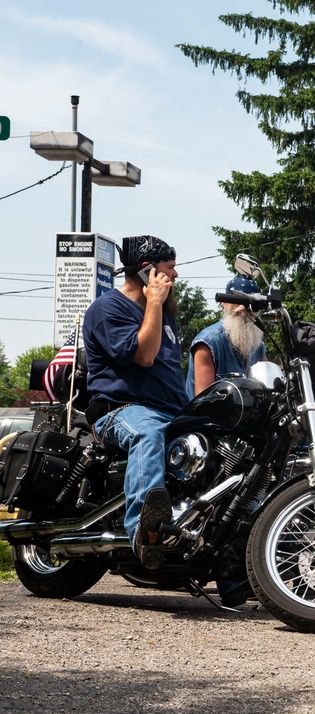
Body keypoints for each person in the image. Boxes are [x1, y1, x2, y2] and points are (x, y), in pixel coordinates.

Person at [83, 235, 183, 570]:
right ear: (147, 272)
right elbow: (143, 356)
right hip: (120, 409)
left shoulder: (165, 315)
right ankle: (144, 531)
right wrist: (153, 303)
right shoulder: (108, 308)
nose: (176, 276)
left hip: (170, 410)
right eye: (169, 269)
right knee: (147, 434)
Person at [185, 276, 267, 399]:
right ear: (224, 303)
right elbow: (203, 401)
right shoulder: (208, 342)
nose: (245, 308)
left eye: (252, 303)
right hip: (207, 417)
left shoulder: (258, 346)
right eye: (238, 301)